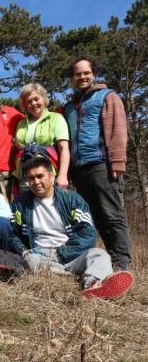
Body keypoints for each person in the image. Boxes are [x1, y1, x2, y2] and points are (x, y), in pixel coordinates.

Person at [11, 157, 133, 299]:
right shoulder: (20, 204)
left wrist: (62, 254)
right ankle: (76, 277)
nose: (35, 182)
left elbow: (87, 234)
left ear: (51, 176)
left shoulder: (72, 199)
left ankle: (92, 283)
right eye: (31, 178)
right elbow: (13, 233)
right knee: (30, 261)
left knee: (99, 254)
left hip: (72, 254)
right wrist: (24, 251)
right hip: (41, 256)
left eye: (40, 176)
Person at [63, 55, 132, 271]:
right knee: (91, 218)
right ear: (72, 78)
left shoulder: (107, 96)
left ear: (93, 74)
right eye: (77, 74)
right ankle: (105, 262)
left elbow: (119, 130)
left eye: (86, 73)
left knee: (112, 214)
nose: (82, 77)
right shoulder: (69, 106)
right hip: (79, 170)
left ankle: (123, 264)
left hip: (102, 164)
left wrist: (117, 162)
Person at [12, 83, 70, 195]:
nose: (33, 103)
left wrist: (63, 175)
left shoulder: (56, 118)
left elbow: (64, 149)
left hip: (47, 174)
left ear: (43, 98)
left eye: (36, 99)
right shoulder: (21, 123)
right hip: (25, 175)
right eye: (29, 101)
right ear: (25, 105)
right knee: (27, 209)